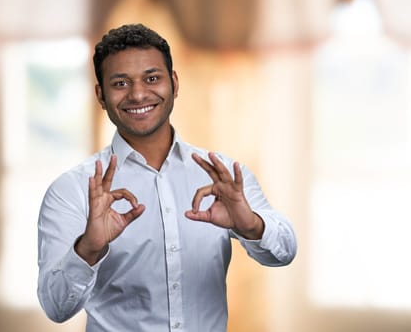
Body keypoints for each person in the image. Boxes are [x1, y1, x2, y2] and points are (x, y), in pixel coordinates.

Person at [37, 23, 297, 332]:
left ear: (174, 83)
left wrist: (250, 224)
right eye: (120, 83)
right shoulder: (73, 190)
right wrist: (89, 248)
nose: (137, 94)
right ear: (100, 95)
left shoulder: (222, 176)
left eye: (152, 78)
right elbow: (56, 307)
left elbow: (284, 253)